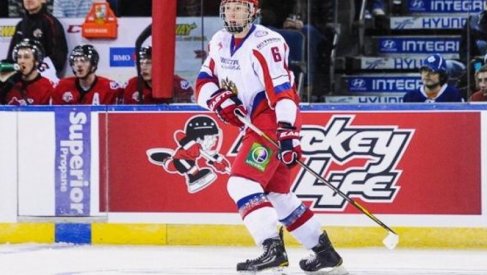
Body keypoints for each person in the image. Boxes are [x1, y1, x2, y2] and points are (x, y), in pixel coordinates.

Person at [195, 0, 346, 273]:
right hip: (255, 123)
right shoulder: (218, 40)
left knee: (241, 184)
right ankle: (324, 253)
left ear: (253, 12)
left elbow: (283, 92)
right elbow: (203, 81)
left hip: (273, 120)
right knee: (279, 195)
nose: (232, 13)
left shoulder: (267, 42)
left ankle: (271, 249)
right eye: (229, 7)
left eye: (239, 8)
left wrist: (288, 133)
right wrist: (217, 99)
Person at [6, 0, 67, 79]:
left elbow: (59, 57)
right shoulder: (20, 25)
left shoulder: (51, 23)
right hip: (21, 77)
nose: (28, 0)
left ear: (44, 1)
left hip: (44, 78)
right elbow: (11, 56)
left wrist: (34, 72)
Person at [51, 44, 122, 105]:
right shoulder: (61, 87)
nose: (79, 64)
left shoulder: (109, 89)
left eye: (83, 61)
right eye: (75, 61)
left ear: (93, 65)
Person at [123, 46, 194, 104]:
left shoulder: (178, 84)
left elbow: (187, 113)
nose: (143, 68)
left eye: (148, 63)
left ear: (160, 65)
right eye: (140, 63)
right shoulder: (131, 85)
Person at [1, 38, 53, 105]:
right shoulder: (10, 84)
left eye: (26, 57)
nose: (21, 61)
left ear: (36, 61)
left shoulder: (47, 87)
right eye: (19, 57)